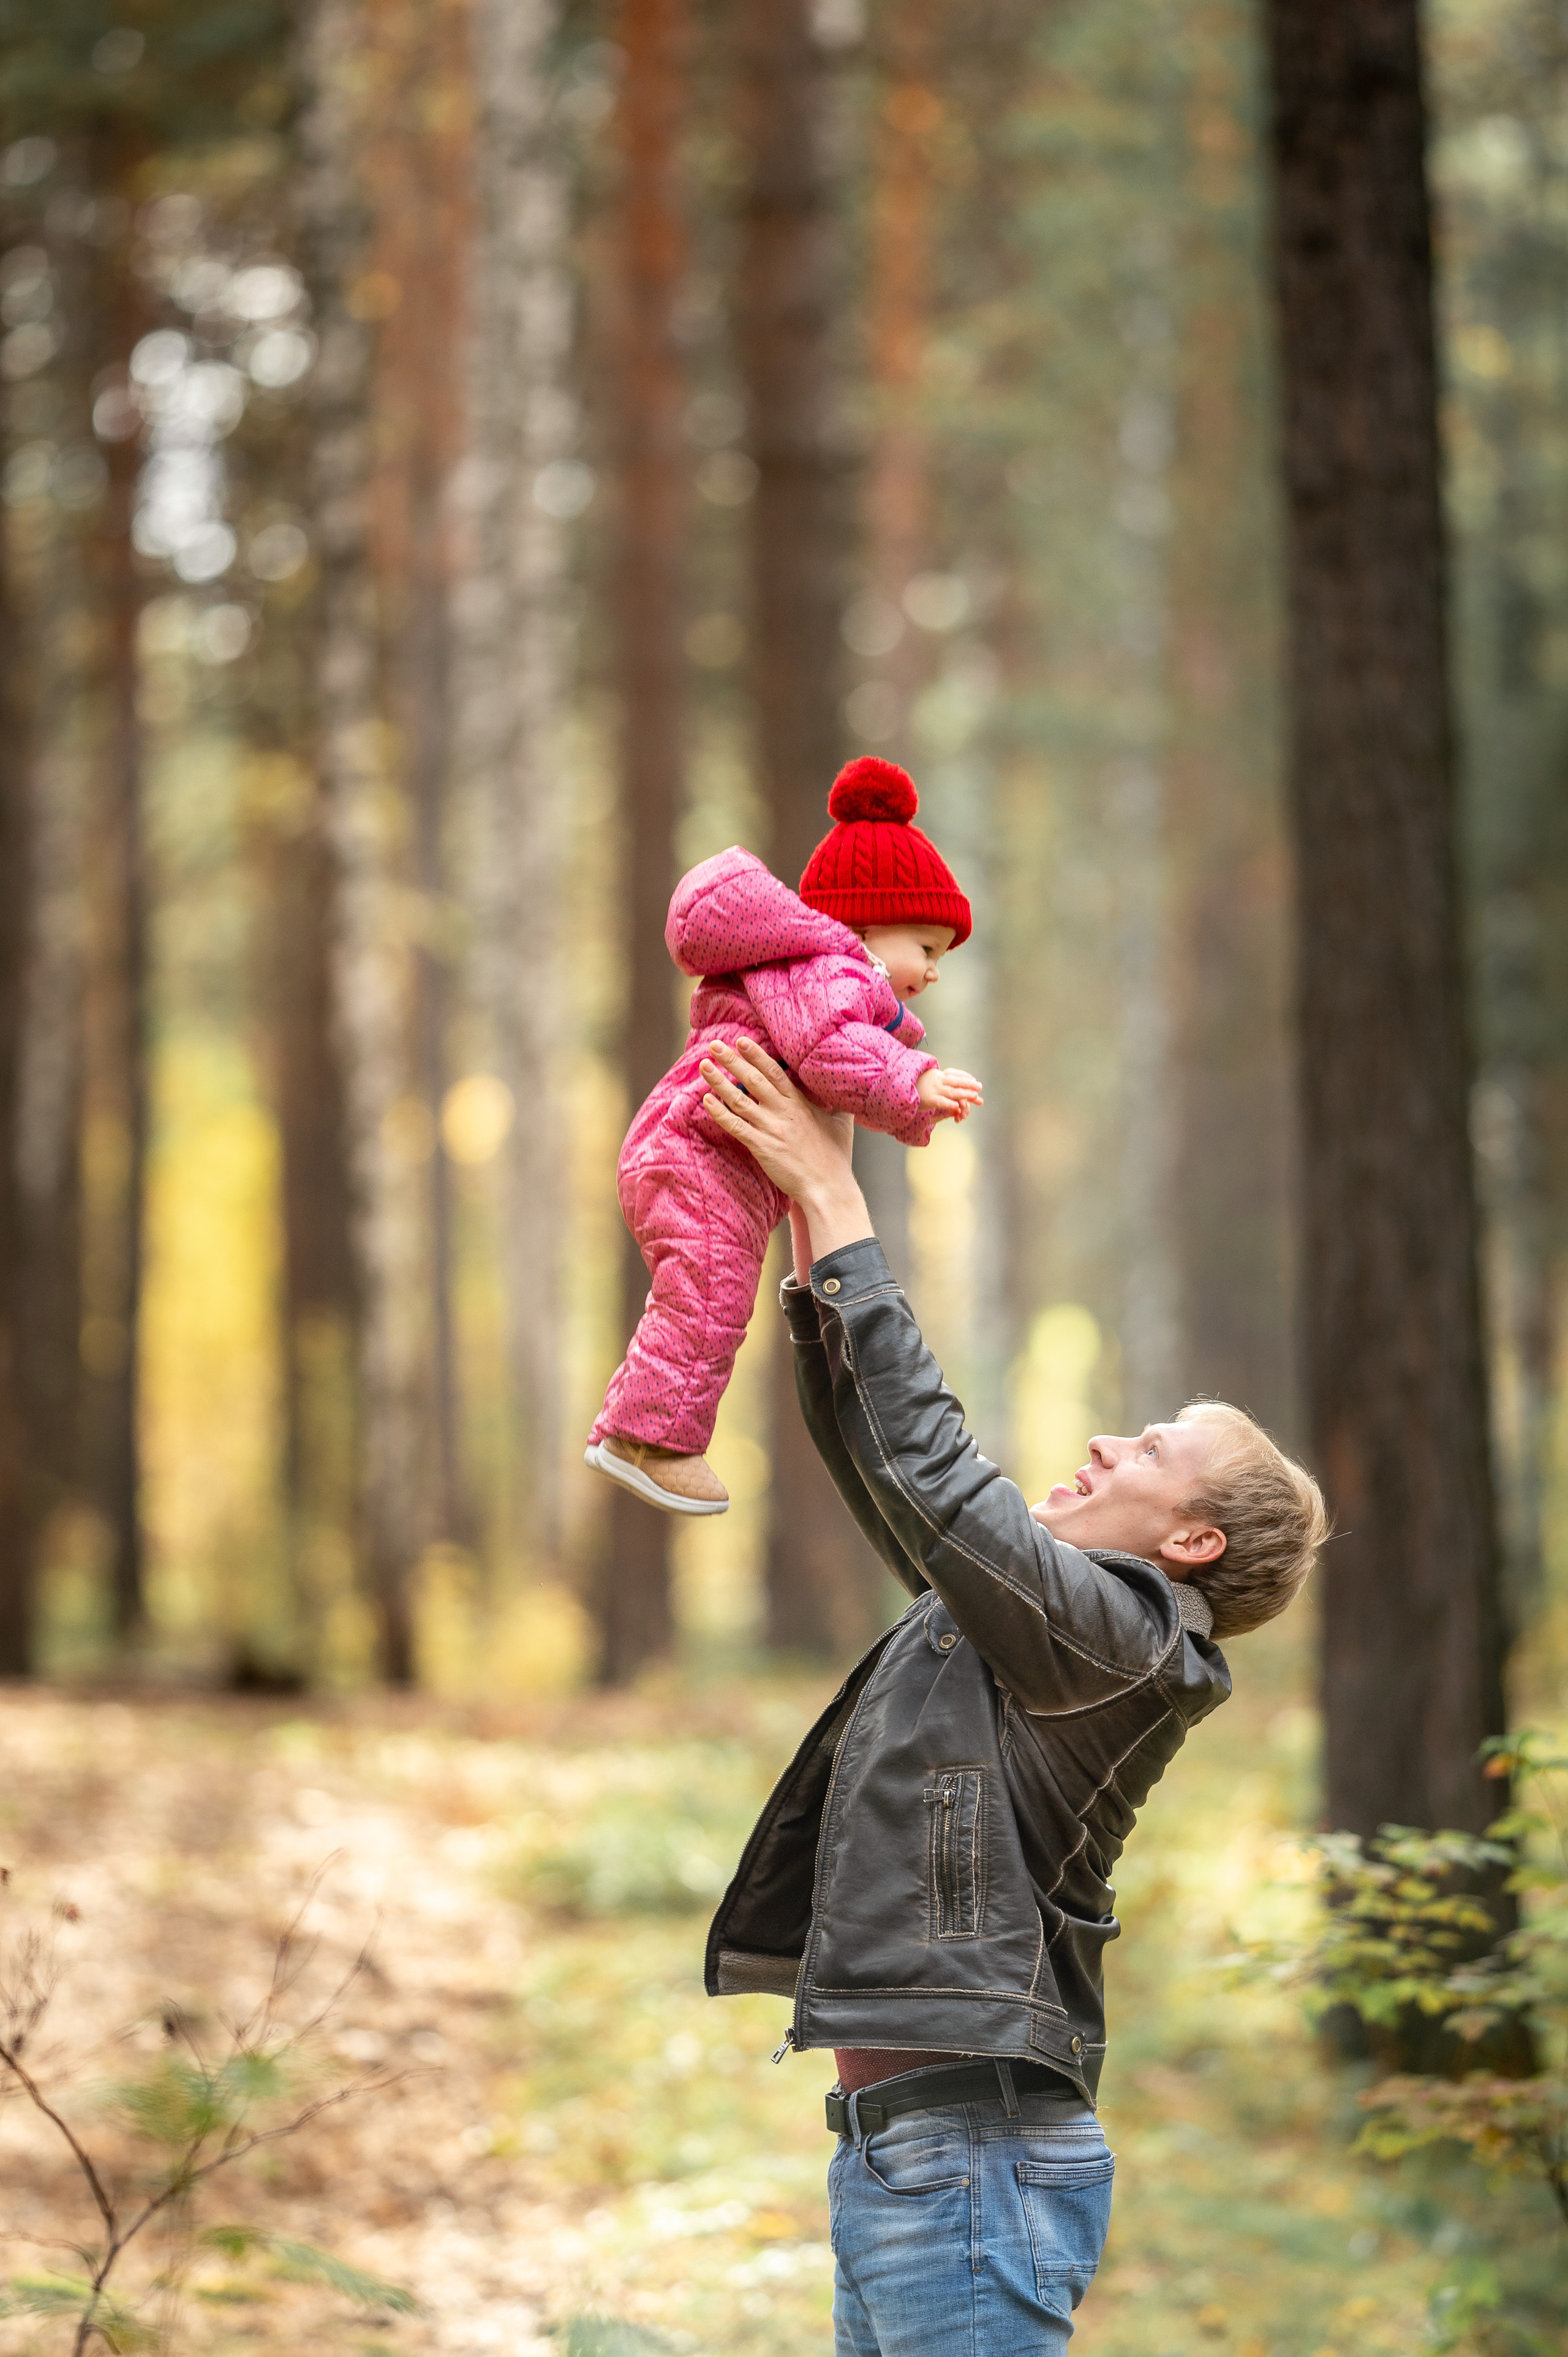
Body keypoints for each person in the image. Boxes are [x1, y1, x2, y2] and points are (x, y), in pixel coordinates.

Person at [695, 1035, 1329, 2356]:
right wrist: (819, 1202)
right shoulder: (1038, 1627)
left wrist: (843, 1208)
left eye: (1148, 1449)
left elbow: (936, 1472)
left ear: (1191, 1543)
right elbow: (885, 1469)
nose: (1108, 1438)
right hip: (904, 2160)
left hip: (972, 2162)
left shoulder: (1121, 1635)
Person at [584, 757, 982, 1518]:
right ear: (869, 923)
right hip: (698, 1146)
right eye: (927, 948)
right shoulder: (829, 968)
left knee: (706, 1287)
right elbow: (832, 1054)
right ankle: (650, 1437)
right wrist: (912, 1084)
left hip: (700, 1147)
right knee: (709, 1292)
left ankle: (640, 1428)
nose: (932, 972)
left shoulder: (819, 972)